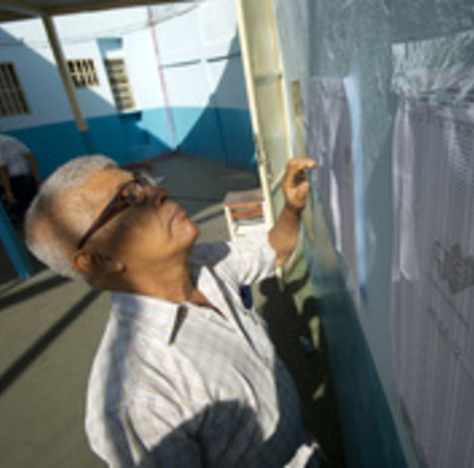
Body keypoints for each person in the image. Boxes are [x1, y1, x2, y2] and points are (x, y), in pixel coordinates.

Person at [24, 154, 319, 467]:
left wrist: (292, 207)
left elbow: (272, 250)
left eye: (141, 183)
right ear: (99, 260)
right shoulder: (137, 397)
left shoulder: (204, 263)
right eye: (128, 198)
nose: (158, 193)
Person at [0, 116, 41, 222]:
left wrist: (8, 192)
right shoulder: (12, 140)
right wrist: (36, 177)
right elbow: (31, 158)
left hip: (16, 182)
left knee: (25, 216)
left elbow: (3, 170)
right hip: (28, 179)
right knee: (36, 212)